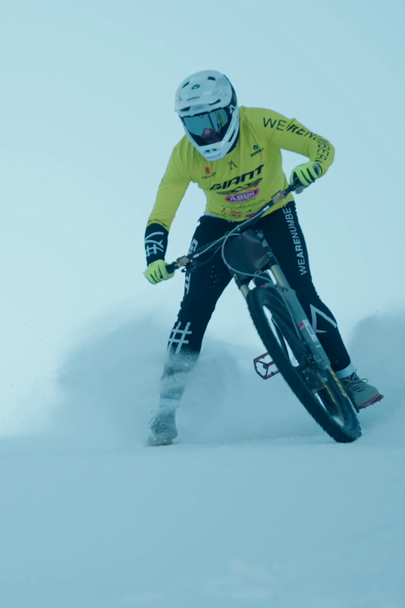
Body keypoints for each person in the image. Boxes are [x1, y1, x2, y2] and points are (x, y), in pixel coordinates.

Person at [143, 70, 381, 446]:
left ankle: (348, 377)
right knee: (193, 310)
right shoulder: (183, 155)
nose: (206, 133)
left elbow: (321, 146)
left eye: (213, 119)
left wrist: (314, 166)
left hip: (274, 211)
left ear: (232, 109)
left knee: (303, 291)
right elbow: (162, 210)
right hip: (218, 224)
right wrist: (155, 256)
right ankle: (164, 411)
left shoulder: (260, 122)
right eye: (194, 122)